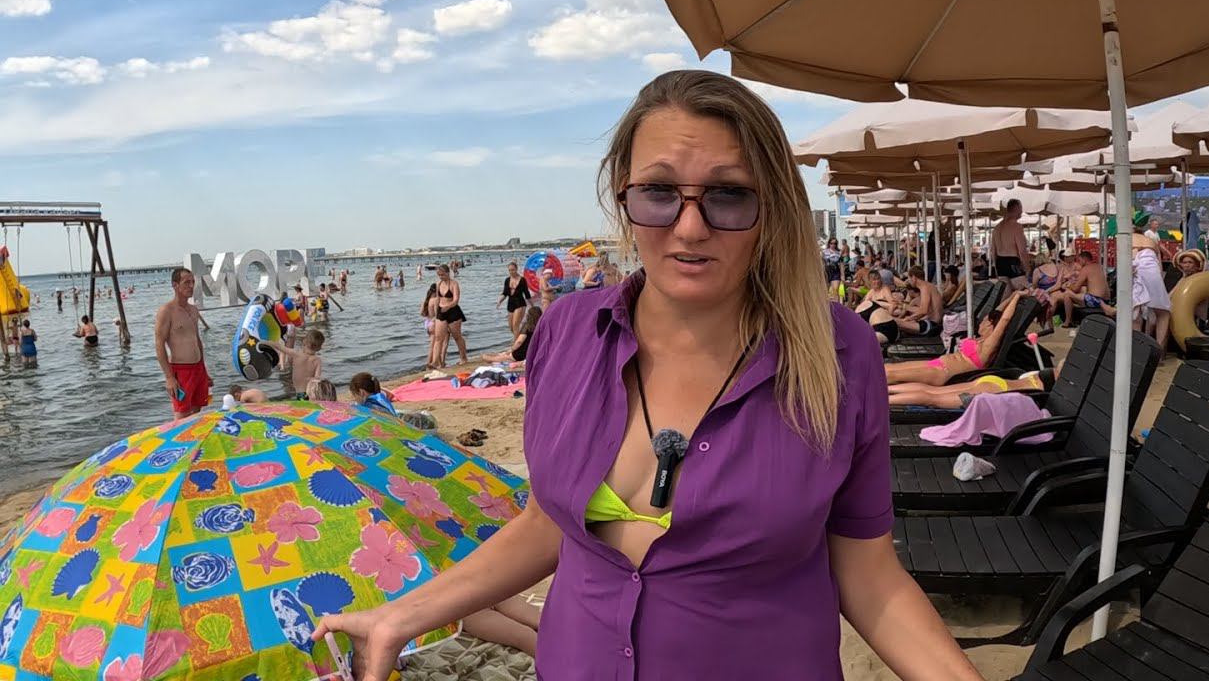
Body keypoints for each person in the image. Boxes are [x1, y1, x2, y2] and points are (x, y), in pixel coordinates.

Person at [311, 71, 980, 681]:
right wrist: (401, 616)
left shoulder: (836, 353)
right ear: (623, 198)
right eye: (659, 193)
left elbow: (869, 575)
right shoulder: (566, 333)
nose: (690, 227)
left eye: (728, 195)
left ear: (771, 207)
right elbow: (548, 524)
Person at [885, 291, 1030, 386]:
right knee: (889, 368)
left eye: (985, 321)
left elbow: (1004, 320)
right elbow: (997, 312)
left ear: (991, 325)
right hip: (938, 363)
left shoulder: (988, 345)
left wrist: (1017, 297)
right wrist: (1013, 296)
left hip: (943, 373)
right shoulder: (981, 338)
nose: (981, 322)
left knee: (892, 375)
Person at [155, 268, 211, 420]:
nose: (191, 286)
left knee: (197, 411)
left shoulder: (193, 310)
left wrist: (204, 370)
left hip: (198, 368)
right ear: (175, 285)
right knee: (181, 415)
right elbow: (159, 344)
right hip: (181, 370)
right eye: (186, 282)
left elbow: (197, 340)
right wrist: (169, 377)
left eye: (193, 282)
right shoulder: (166, 311)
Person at [889, 368, 1055, 409]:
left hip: (995, 380)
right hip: (996, 389)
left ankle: (884, 392)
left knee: (932, 391)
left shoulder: (1044, 372)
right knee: (932, 398)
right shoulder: (1053, 386)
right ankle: (884, 400)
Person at [1130, 220, 1172, 351]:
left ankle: (1136, 350)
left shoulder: (1126, 238)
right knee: (1163, 312)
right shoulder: (1151, 241)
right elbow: (1159, 267)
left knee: (1135, 312)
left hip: (1135, 264)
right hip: (1152, 271)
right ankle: (1159, 351)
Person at [1058, 250, 1110, 327]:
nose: (1079, 262)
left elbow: (1075, 288)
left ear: (1084, 260)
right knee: (1080, 293)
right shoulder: (1098, 266)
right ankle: (1070, 320)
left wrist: (1067, 286)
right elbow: (1091, 282)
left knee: (1067, 295)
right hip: (1106, 300)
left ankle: (1068, 321)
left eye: (1080, 260)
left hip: (1095, 300)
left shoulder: (1085, 269)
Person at [991, 198, 1031, 289]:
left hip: (1000, 262)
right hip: (1012, 262)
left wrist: (996, 268)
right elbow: (1022, 250)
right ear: (1016, 209)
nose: (1021, 212)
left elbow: (993, 251)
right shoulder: (1016, 227)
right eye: (1021, 208)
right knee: (1027, 291)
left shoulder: (996, 228)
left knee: (1006, 293)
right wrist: (1027, 268)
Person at [854, 269, 903, 344]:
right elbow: (864, 305)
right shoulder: (871, 292)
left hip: (886, 318)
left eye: (878, 279)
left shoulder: (884, 289)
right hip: (876, 320)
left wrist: (888, 314)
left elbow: (893, 304)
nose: (876, 282)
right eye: (874, 280)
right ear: (870, 281)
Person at [433, 265, 467, 367]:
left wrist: (448, 307)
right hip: (441, 311)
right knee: (438, 338)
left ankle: (463, 358)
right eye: (439, 275)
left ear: (448, 273)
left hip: (453, 311)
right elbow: (437, 299)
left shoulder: (454, 284)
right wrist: (436, 314)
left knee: (457, 336)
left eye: (442, 275)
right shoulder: (438, 284)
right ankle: (435, 362)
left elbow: (456, 300)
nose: (441, 277)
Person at [894, 266, 942, 337]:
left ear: (913, 277)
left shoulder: (925, 288)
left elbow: (923, 311)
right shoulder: (928, 286)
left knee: (893, 322)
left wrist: (907, 318)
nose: (908, 281)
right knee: (895, 321)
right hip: (931, 323)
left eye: (909, 278)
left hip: (931, 325)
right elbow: (926, 310)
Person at [497, 262, 531, 339]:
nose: (511, 272)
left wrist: (532, 305)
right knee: (511, 327)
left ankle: (515, 345)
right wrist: (500, 301)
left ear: (516, 269)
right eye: (509, 270)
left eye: (513, 270)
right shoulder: (507, 280)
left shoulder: (522, 280)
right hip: (510, 304)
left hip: (520, 303)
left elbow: (527, 294)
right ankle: (521, 340)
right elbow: (505, 293)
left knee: (516, 325)